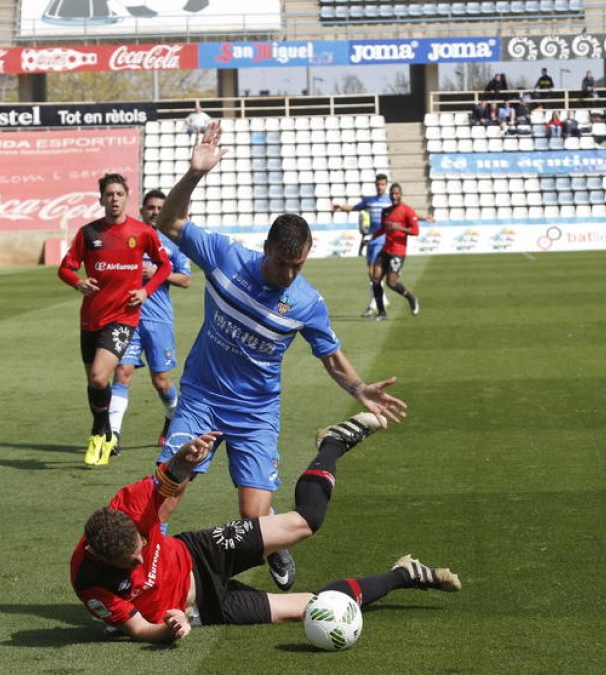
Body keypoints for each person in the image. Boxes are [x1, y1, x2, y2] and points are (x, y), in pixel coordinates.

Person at [155, 122, 408, 591]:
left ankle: (268, 533)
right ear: (266, 249)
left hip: (256, 412)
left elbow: (329, 354)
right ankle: (148, 570)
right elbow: (168, 223)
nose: (290, 274)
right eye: (283, 263)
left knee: (252, 520)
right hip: (202, 397)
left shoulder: (307, 302)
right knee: (169, 487)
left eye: (299, 265)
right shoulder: (227, 257)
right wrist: (193, 175)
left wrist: (358, 388)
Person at [71, 413, 460, 642]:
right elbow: (138, 629)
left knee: (306, 522)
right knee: (316, 608)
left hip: (200, 552)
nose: (140, 558)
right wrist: (170, 628)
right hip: (203, 607)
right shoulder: (89, 580)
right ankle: (405, 574)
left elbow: (168, 477)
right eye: (130, 562)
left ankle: (333, 443)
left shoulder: (128, 508)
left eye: (142, 547)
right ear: (100, 556)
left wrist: (184, 459)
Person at [58, 174, 172, 467]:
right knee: (94, 383)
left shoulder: (142, 232)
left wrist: (146, 291)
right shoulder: (88, 233)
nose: (114, 199)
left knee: (100, 375)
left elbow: (164, 266)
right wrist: (78, 283)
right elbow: (65, 268)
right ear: (101, 199)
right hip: (91, 318)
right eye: (109, 194)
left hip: (123, 317)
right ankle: (106, 431)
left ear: (126, 197)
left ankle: (100, 431)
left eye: (119, 193)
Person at [108, 189, 192, 454]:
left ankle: (172, 418)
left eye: (159, 208)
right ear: (143, 210)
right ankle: (112, 435)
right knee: (122, 373)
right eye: (151, 208)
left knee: (161, 381)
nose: (155, 212)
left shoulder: (173, 242)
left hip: (159, 320)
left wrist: (158, 273)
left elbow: (186, 279)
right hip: (128, 316)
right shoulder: (128, 236)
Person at [332, 174, 394, 317]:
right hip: (372, 240)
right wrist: (341, 207)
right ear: (376, 184)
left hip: (384, 240)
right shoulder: (369, 201)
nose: (380, 187)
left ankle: (374, 304)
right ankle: (381, 300)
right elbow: (354, 208)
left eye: (383, 184)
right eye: (378, 184)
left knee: (376, 273)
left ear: (386, 185)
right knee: (371, 273)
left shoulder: (391, 201)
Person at [367, 184, 420, 321]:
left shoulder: (408, 211)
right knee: (376, 279)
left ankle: (411, 297)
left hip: (398, 252)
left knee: (391, 283)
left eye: (396, 194)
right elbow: (383, 229)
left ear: (401, 194)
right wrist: (371, 236)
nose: (394, 196)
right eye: (392, 194)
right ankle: (382, 313)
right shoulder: (386, 211)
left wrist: (399, 227)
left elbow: (415, 231)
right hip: (385, 250)